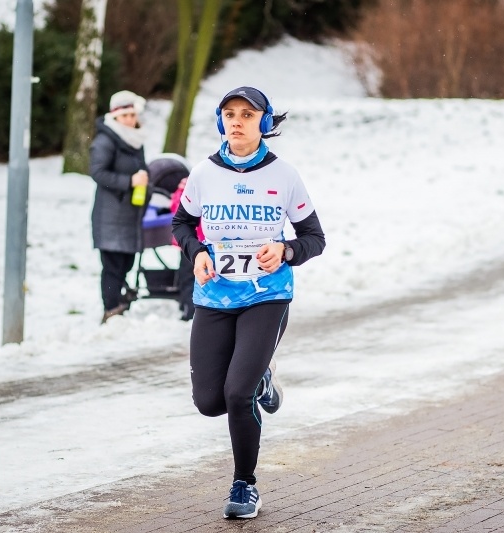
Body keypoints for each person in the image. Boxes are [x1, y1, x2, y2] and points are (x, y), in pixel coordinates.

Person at [172, 86, 325, 519]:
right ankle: (261, 382)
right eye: (230, 114)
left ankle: (245, 485)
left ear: (264, 122)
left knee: (236, 394)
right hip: (215, 296)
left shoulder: (284, 175)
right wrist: (197, 252)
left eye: (247, 114)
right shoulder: (204, 173)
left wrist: (286, 250)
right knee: (209, 402)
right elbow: (181, 223)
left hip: (267, 296)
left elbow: (315, 238)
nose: (237, 121)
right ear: (221, 122)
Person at [89, 90, 150, 324]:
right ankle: (111, 309)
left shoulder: (135, 141)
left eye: (132, 115)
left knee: (126, 263)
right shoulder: (105, 141)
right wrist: (129, 182)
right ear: (115, 117)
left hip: (129, 213)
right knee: (113, 266)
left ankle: (118, 306)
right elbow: (98, 172)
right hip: (110, 215)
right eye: (125, 116)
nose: (129, 120)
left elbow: (141, 169)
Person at [170, 176, 203, 321]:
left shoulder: (184, 189)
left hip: (189, 243)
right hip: (201, 241)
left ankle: (189, 309)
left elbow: (175, 211)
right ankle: (192, 308)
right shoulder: (206, 187)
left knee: (187, 277)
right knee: (197, 276)